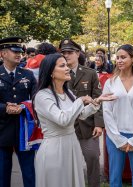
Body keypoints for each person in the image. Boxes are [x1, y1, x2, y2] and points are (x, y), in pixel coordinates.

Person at [33, 53, 116, 187]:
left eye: (66, 65)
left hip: (71, 145)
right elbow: (63, 119)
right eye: (62, 66)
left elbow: (81, 114)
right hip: (55, 150)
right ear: (51, 73)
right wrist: (80, 100)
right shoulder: (42, 96)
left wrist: (96, 101)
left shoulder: (67, 93)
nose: (67, 68)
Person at [103, 44, 133, 187]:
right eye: (117, 57)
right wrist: (118, 139)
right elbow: (107, 112)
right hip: (114, 135)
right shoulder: (110, 83)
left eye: (123, 57)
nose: (119, 60)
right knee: (115, 177)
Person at [59, 38, 104, 187]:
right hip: (66, 126)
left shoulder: (90, 73)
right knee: (68, 163)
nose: (66, 55)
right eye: (63, 52)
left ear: (78, 53)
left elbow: (98, 99)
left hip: (87, 126)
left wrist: (99, 124)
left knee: (92, 159)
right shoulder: (57, 74)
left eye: (70, 52)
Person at [0, 37, 37, 187]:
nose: (18, 54)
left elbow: (36, 97)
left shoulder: (28, 75)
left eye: (20, 51)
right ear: (3, 53)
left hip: (24, 130)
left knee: (29, 173)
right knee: (2, 174)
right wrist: (5, 108)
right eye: (14, 51)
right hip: (2, 130)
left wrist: (22, 107)